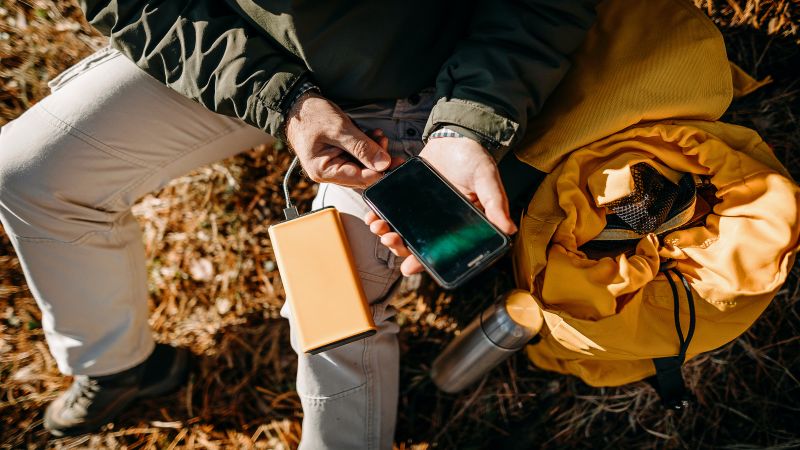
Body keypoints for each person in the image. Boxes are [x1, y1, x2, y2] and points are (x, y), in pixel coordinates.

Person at [0, 1, 597, 447]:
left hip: (432, 80)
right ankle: (119, 365)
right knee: (28, 173)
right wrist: (285, 102)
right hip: (240, 51)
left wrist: (466, 125)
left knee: (334, 302)